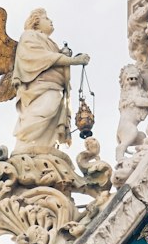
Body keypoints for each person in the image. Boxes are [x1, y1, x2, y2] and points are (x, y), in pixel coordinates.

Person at [11, 10, 89, 155]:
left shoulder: (49, 42)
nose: (50, 21)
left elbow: (52, 58)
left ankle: (45, 151)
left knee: (51, 120)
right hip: (40, 87)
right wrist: (72, 60)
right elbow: (40, 56)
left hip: (55, 86)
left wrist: (64, 56)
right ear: (35, 22)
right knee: (42, 113)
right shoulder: (29, 35)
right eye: (46, 18)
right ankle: (25, 148)